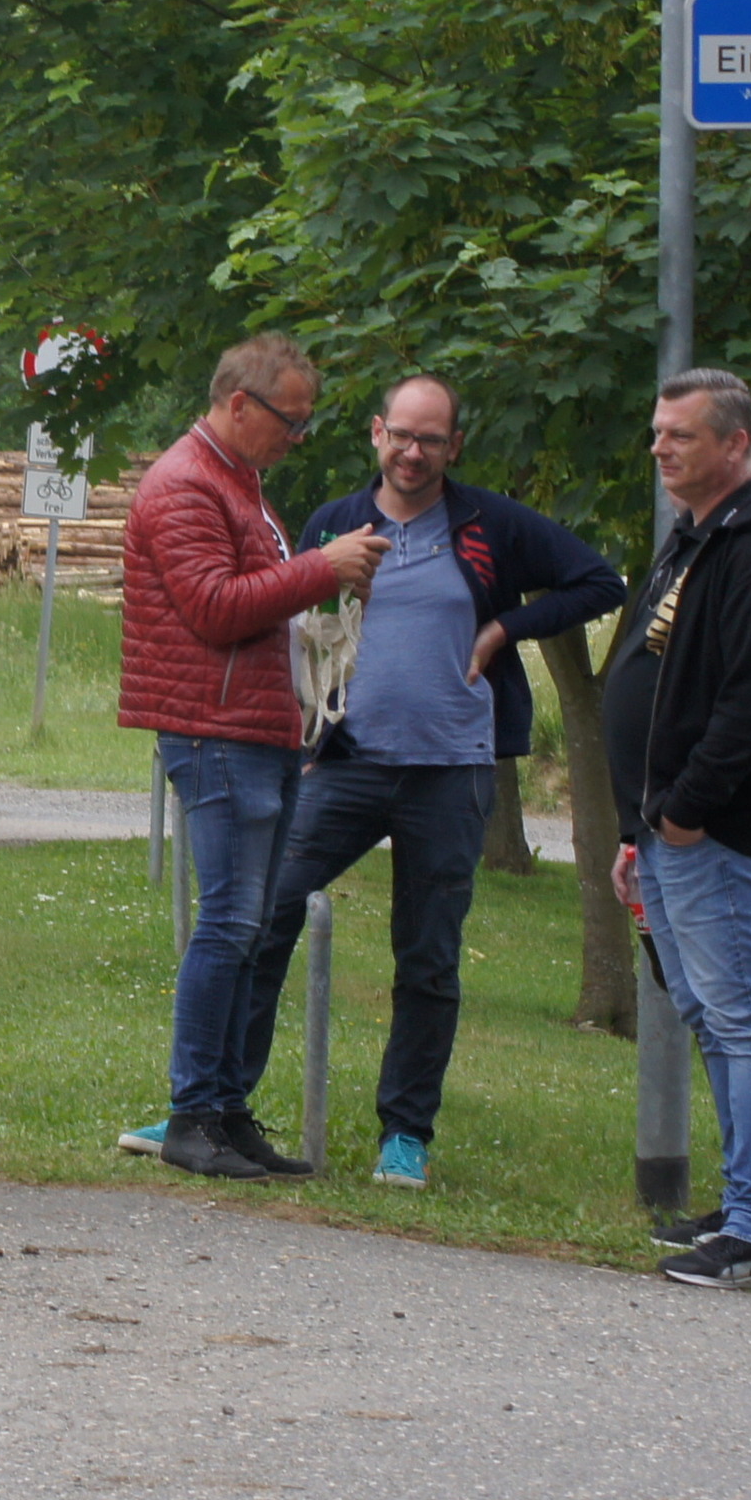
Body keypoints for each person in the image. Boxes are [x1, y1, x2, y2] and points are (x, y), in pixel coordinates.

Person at [225, 375, 622, 1187]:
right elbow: (301, 631)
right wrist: (302, 731)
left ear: (453, 447)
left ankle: (405, 1134)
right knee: (265, 916)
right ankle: (220, 1106)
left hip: (451, 771)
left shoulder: (487, 525)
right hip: (349, 761)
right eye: (401, 435)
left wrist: (504, 627)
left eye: (431, 439)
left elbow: (601, 582)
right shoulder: (336, 522)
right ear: (377, 433)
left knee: (428, 958)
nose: (413, 452)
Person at [117, 334, 386, 1182]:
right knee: (230, 923)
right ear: (240, 404)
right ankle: (192, 1113)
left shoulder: (241, 485)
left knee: (257, 923)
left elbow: (255, 605)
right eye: (291, 421)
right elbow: (212, 608)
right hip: (214, 728)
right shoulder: (186, 485)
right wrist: (320, 568)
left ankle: (228, 1112)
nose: (298, 437)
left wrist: (326, 590)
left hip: (256, 727)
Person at [599, 370, 751, 1289]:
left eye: (680, 435)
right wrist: (636, 828)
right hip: (665, 831)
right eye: (657, 432)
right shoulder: (697, 542)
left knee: (748, 1022)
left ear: (735, 445)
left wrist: (686, 810)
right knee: (713, 1018)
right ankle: (744, 1206)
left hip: (715, 831)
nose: (660, 448)